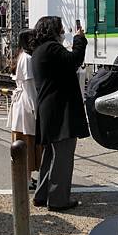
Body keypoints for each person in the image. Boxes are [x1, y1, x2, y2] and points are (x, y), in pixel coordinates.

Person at [31, 16, 89, 211]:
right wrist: (80, 40)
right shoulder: (52, 48)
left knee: (50, 154)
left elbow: (67, 65)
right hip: (60, 110)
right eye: (61, 29)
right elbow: (75, 59)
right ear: (53, 30)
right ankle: (58, 199)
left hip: (49, 109)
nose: (63, 32)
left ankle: (42, 194)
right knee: (63, 156)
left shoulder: (40, 50)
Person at [7, 29, 40, 190]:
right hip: (26, 106)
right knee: (26, 142)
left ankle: (26, 178)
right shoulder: (27, 59)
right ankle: (26, 180)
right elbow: (30, 88)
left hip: (20, 105)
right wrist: (36, 108)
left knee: (21, 142)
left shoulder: (20, 56)